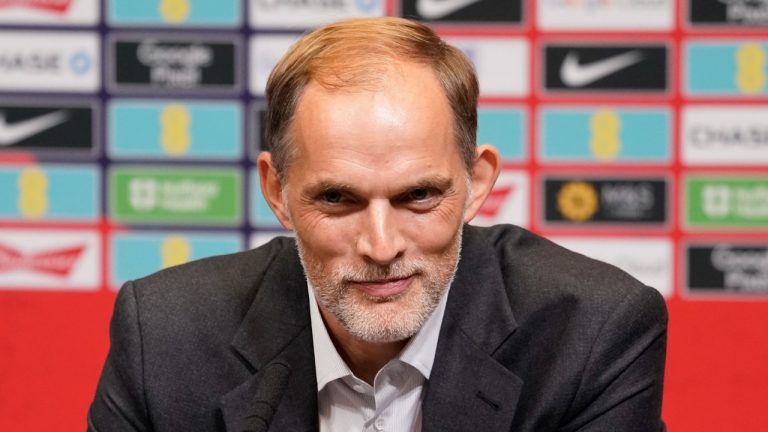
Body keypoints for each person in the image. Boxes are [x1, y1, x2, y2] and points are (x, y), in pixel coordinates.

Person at [88, 17, 668, 432]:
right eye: (338, 198)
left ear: (477, 183)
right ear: (277, 192)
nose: (382, 246)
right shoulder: (165, 338)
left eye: (419, 195)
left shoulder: (590, 334)